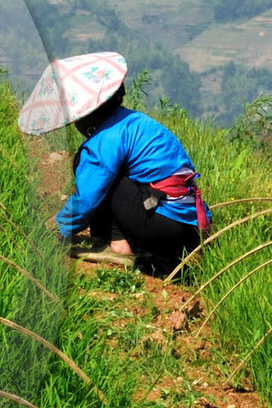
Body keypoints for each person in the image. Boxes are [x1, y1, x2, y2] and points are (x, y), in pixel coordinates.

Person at [17, 52, 209, 277]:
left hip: (166, 225)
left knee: (98, 175)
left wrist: (54, 230)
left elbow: (86, 202)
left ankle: (119, 246)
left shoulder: (103, 141)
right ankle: (133, 243)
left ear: (87, 116)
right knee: (106, 175)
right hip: (189, 225)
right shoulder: (134, 121)